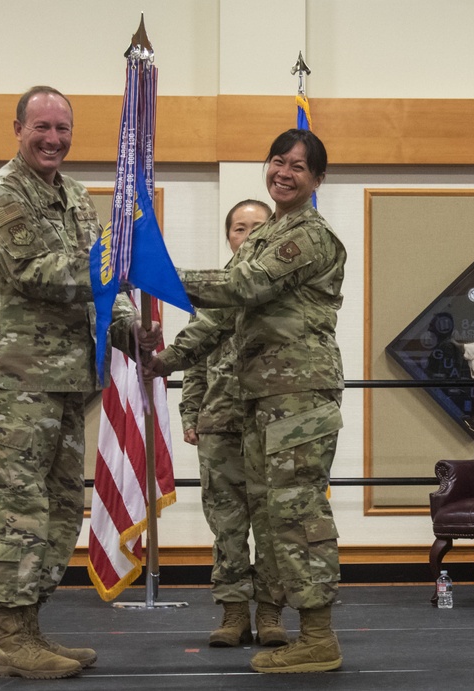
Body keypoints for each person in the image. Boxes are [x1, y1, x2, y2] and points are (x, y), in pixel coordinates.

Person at [0, 86, 158, 680]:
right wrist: (122, 262)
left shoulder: (75, 195)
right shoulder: (0, 194)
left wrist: (130, 330)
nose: (53, 139)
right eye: (41, 127)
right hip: (12, 381)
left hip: (69, 381)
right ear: (17, 128)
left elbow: (100, 284)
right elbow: (37, 274)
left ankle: (30, 629)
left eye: (63, 129)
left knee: (62, 507)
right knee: (20, 509)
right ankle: (8, 638)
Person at [147, 129, 346, 674]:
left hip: (298, 397)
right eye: (277, 162)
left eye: (298, 167)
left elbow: (243, 289)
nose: (284, 173)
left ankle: (318, 637)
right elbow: (218, 320)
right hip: (264, 401)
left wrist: (154, 275)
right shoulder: (267, 235)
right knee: (271, 516)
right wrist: (162, 362)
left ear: (317, 180)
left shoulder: (306, 235)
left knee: (297, 515)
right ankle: (297, 629)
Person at [172, 199, 287, 648]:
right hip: (219, 424)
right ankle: (234, 613)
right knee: (227, 525)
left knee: (274, 523)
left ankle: (272, 613)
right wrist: (190, 413)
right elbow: (194, 359)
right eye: (239, 228)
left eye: (257, 227)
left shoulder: (283, 291)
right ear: (229, 236)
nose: (247, 235)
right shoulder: (211, 293)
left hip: (272, 424)